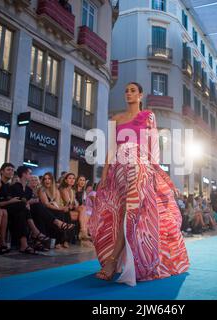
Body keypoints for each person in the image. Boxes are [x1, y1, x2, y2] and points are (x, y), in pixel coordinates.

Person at [89, 82, 189, 286]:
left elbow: (153, 149)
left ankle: (114, 261)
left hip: (141, 166)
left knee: (132, 210)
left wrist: (161, 176)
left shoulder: (149, 116)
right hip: (119, 168)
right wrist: (104, 176)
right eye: (126, 91)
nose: (128, 94)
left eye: (133, 91)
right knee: (120, 212)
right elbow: (110, 150)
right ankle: (119, 259)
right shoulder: (115, 119)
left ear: (141, 95)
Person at [39, 172, 75, 249]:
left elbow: (58, 203)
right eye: (45, 179)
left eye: (49, 179)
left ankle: (62, 240)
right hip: (44, 210)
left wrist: (60, 208)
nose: (47, 180)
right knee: (59, 212)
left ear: (52, 180)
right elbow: (46, 204)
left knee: (63, 212)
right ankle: (59, 241)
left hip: (54, 208)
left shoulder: (56, 190)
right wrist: (60, 208)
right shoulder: (42, 190)